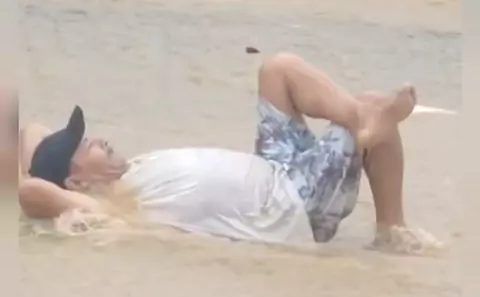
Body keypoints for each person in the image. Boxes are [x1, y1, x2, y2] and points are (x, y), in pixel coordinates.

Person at [19, 53, 424, 249]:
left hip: (277, 168)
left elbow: (31, 131)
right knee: (370, 107)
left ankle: (364, 122)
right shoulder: (112, 208)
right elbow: (30, 191)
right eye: (83, 146)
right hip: (294, 204)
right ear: (76, 182)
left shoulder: (129, 172)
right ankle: (393, 228)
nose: (97, 140)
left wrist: (29, 161)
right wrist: (29, 181)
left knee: (277, 69)